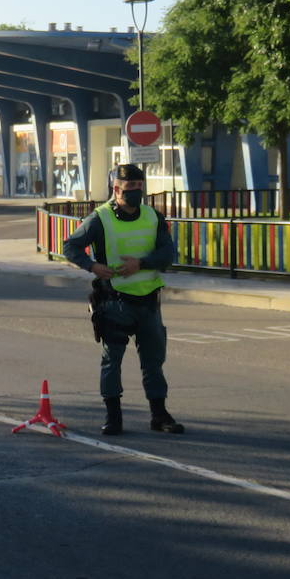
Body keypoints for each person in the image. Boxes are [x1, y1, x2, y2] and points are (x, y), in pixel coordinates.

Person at [62, 163, 184, 436]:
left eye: (139, 188)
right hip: (115, 303)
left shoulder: (153, 217)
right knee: (111, 361)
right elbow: (70, 246)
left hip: (149, 303)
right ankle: (113, 417)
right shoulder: (100, 218)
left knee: (153, 362)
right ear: (116, 189)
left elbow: (167, 255)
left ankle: (159, 415)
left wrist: (140, 264)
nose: (135, 194)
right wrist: (92, 266)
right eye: (129, 189)